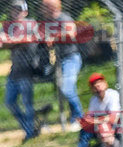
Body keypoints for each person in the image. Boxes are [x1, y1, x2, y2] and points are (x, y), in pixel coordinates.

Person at [0, 0, 37, 142]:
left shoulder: (31, 24)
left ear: (25, 11)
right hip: (14, 71)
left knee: (27, 103)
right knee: (9, 102)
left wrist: (10, 40)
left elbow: (32, 39)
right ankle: (29, 128)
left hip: (27, 69)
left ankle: (30, 134)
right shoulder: (8, 26)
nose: (16, 12)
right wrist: (5, 40)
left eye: (19, 9)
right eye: (14, 9)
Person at [41, 0, 84, 132]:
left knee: (67, 88)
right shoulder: (46, 22)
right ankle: (70, 120)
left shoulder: (64, 18)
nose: (42, 9)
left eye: (44, 7)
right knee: (63, 91)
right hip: (58, 61)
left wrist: (54, 37)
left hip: (71, 58)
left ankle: (79, 118)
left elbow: (71, 33)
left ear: (52, 7)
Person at [76, 72, 120, 147]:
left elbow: (113, 118)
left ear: (105, 84)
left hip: (115, 126)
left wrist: (95, 121)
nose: (97, 85)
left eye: (99, 82)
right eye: (94, 84)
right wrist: (85, 121)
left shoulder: (113, 95)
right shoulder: (93, 100)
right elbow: (89, 117)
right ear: (92, 89)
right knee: (84, 132)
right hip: (100, 127)